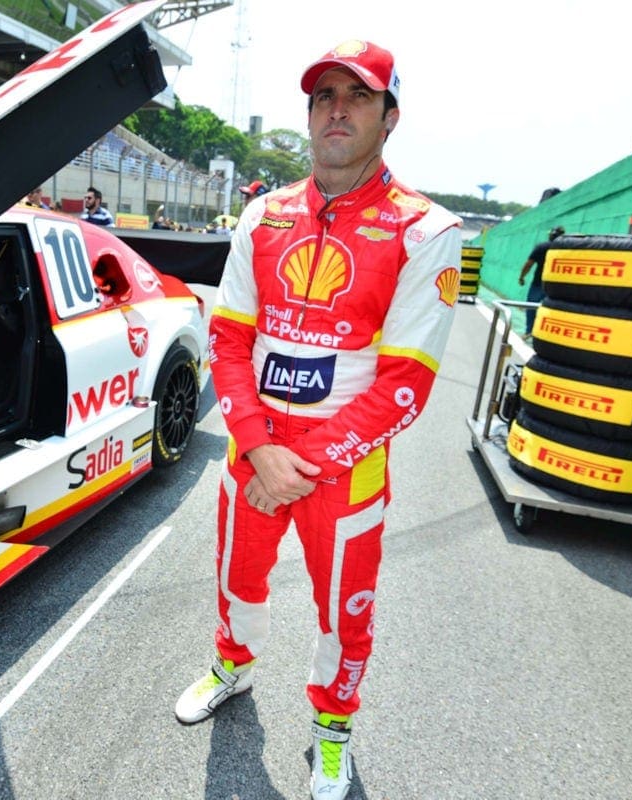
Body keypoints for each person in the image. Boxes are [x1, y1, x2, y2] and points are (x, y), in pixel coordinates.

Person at [173, 40, 461, 800]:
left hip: (344, 466)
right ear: (309, 114)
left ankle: (333, 731)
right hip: (254, 450)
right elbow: (229, 339)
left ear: (389, 117)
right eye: (324, 95)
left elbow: (405, 384)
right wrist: (262, 449)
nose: (337, 108)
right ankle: (232, 668)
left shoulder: (426, 232)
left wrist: (297, 467)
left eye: (358, 96)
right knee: (236, 576)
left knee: (344, 612)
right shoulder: (263, 214)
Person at [517, 225, 565, 335]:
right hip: (556, 286)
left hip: (538, 283)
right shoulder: (565, 249)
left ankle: (529, 331)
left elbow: (528, 264)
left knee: (531, 307)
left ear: (550, 235)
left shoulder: (541, 247)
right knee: (551, 310)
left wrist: (521, 277)